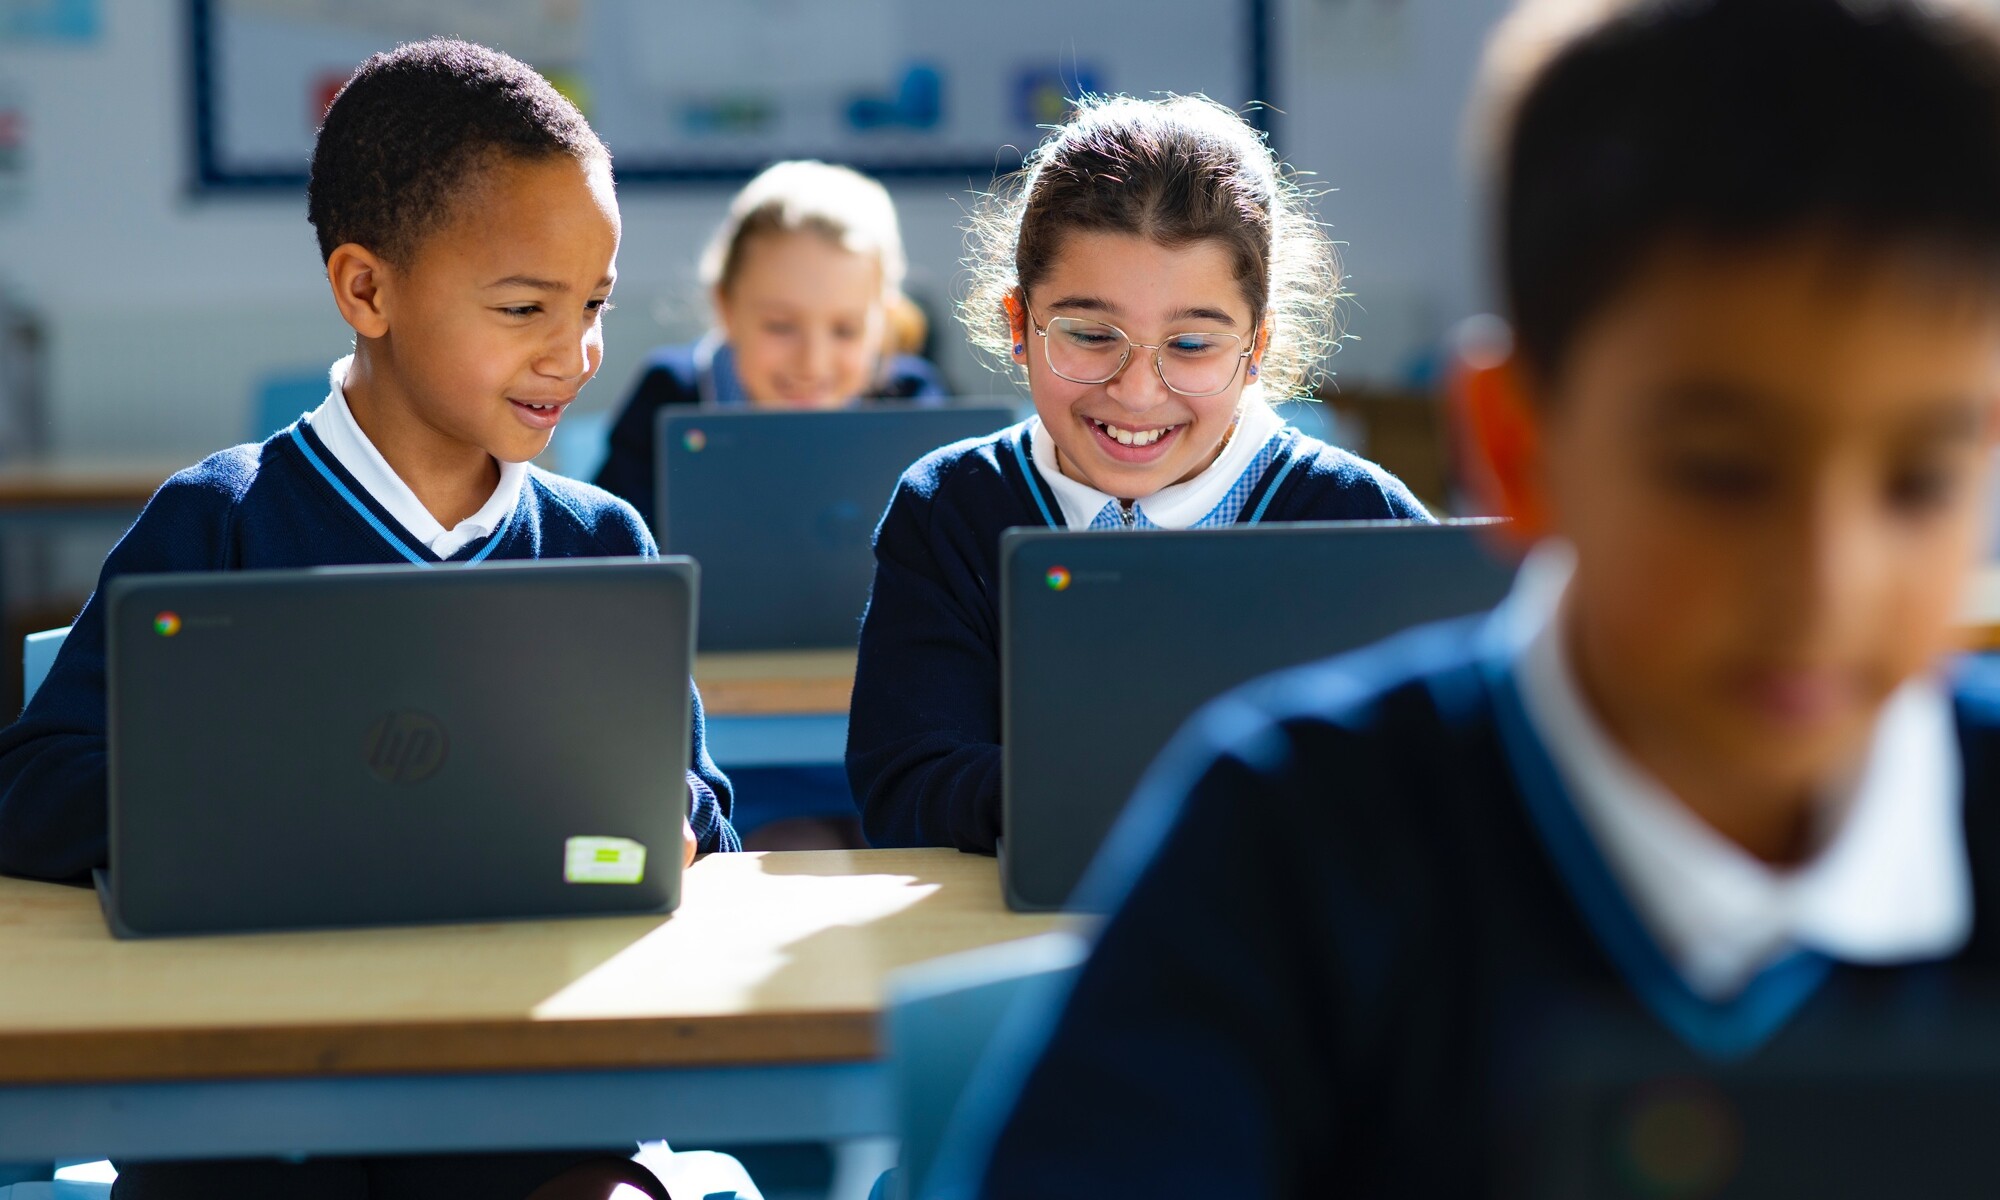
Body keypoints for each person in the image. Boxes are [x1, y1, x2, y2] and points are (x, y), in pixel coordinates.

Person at [846, 94, 1429, 853]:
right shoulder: (950, 508)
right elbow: (908, 788)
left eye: (1191, 345)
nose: (1137, 390)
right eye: (1091, 335)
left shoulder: (1363, 522)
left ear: (1256, 348)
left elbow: (1437, 794)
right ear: (1020, 326)